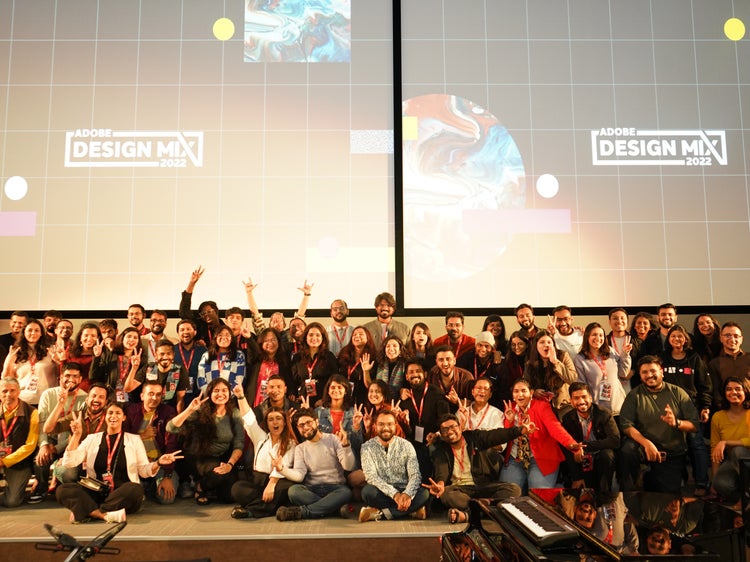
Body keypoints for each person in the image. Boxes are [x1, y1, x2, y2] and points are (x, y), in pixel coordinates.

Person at [56, 402, 182, 523]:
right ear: (105, 416)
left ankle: (86, 510)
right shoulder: (92, 439)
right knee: (62, 490)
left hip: (122, 494)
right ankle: (102, 514)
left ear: (124, 417)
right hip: (96, 491)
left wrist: (158, 463)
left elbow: (144, 471)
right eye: (110, 413)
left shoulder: (134, 440)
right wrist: (76, 436)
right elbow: (69, 462)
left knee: (135, 489)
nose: (113, 416)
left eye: (118, 413)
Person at [423, 412, 530, 524]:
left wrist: (519, 430)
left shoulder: (475, 438)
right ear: (441, 434)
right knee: (446, 493)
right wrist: (440, 484)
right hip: (460, 490)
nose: (449, 431)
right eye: (445, 429)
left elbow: (496, 435)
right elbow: (441, 471)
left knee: (514, 489)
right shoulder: (441, 450)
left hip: (482, 486)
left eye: (453, 427)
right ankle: (485, 510)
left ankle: (468, 515)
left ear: (460, 427)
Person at [618, 356, 700, 494]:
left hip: (670, 453)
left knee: (666, 498)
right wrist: (647, 444)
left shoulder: (678, 393)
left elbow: (694, 425)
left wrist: (677, 423)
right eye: (644, 372)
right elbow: (626, 425)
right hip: (644, 450)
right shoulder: (634, 395)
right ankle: (629, 493)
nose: (649, 375)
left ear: (662, 372)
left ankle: (674, 475)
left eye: (653, 371)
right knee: (627, 450)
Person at [166, 378, 244, 504]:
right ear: (210, 393)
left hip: (224, 458)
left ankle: (209, 487)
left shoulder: (234, 413)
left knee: (229, 496)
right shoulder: (201, 411)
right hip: (200, 458)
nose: (221, 394)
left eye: (224, 390)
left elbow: (239, 443)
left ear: (230, 394)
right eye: (216, 391)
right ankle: (200, 486)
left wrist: (230, 464)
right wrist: (190, 409)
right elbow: (170, 427)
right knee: (218, 476)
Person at [274, 407, 356, 521]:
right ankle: (334, 509)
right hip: (312, 489)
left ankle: (302, 512)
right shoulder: (300, 448)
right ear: (297, 428)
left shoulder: (333, 439)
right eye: (301, 425)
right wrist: (282, 469)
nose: (306, 427)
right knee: (294, 491)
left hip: (335, 488)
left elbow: (348, 466)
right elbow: (299, 476)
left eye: (308, 422)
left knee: (346, 492)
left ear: (316, 421)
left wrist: (346, 446)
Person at [500, 379, 580, 493]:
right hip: (515, 458)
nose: (520, 394)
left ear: (531, 393)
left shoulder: (542, 407)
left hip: (541, 459)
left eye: (524, 391)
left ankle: (557, 487)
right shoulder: (509, 408)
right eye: (516, 391)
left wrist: (570, 443)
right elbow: (505, 437)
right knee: (505, 494)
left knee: (538, 496)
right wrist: (509, 421)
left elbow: (555, 428)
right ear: (512, 395)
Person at [660, 325, 711, 495]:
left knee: (697, 445)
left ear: (686, 339)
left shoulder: (695, 358)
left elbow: (704, 385)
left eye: (680, 336)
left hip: (692, 408)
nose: (677, 339)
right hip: (668, 409)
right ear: (669, 339)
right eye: (673, 336)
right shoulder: (662, 358)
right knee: (673, 446)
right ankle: (678, 480)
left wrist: (705, 407)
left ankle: (701, 483)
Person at [231, 390, 296, 519]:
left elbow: (285, 464)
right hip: (258, 481)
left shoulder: (290, 443)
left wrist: (271, 485)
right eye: (271, 419)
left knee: (287, 488)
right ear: (267, 423)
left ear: (284, 422)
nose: (275, 422)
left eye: (278, 419)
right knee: (237, 488)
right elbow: (248, 419)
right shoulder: (260, 437)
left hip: (277, 482)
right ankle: (271, 505)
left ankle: (250, 511)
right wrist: (241, 397)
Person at [358, 410, 429, 522]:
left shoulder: (406, 445)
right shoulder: (367, 447)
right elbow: (371, 476)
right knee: (367, 492)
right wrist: (394, 494)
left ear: (395, 426)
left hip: (404, 489)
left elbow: (415, 474)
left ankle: (381, 514)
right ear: (375, 426)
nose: (386, 428)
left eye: (390, 424)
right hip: (382, 491)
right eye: (381, 424)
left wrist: (407, 494)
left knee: (424, 494)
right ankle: (411, 511)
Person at [32, 362, 88, 502]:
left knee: (68, 429)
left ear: (81, 379)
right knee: (40, 458)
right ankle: (42, 486)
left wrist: (56, 449)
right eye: (67, 375)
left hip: (70, 440)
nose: (71, 379)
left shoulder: (85, 398)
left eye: (75, 376)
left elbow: (78, 431)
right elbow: (42, 422)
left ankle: (61, 485)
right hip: (50, 435)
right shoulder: (48, 394)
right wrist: (44, 445)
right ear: (61, 377)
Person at [123, 382, 180, 504]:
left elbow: (171, 445)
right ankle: (145, 486)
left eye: (158, 395)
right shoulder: (131, 411)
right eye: (151, 394)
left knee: (166, 498)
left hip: (159, 463)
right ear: (142, 396)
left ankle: (152, 485)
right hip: (137, 463)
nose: (154, 398)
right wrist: (142, 436)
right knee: (129, 496)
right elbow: (123, 440)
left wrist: (167, 476)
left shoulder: (168, 412)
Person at [43, 382, 109, 487]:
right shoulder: (76, 416)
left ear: (105, 402)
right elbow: (47, 429)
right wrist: (60, 404)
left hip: (98, 460)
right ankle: (61, 472)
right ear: (87, 399)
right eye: (94, 396)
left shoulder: (109, 419)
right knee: (67, 475)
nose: (96, 399)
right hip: (76, 459)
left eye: (101, 397)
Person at [561, 382, 620, 493]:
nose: (581, 401)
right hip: (581, 461)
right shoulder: (567, 419)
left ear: (590, 397)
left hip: (600, 458)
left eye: (584, 397)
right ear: (571, 402)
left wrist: (584, 446)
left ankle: (606, 491)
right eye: (576, 398)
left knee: (607, 455)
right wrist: (577, 477)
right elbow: (566, 447)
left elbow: (615, 440)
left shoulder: (604, 414)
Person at [400, 358, 451, 480]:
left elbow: (446, 420)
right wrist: (405, 424)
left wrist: (437, 434)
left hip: (434, 440)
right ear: (407, 377)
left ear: (425, 374)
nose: (414, 374)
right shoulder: (405, 398)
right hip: (414, 441)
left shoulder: (436, 393)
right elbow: (408, 431)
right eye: (411, 372)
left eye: (418, 371)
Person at [574, 322, 632, 415]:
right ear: (587, 337)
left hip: (618, 406)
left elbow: (623, 373)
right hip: (598, 409)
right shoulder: (580, 358)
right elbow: (582, 385)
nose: (598, 338)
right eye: (594, 335)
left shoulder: (610, 352)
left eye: (601, 335)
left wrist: (624, 355)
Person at [709, 377, 750, 505]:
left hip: (747, 458)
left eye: (738, 389)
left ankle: (744, 501)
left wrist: (726, 442)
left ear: (746, 392)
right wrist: (714, 480)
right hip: (733, 461)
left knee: (738, 451)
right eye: (729, 389)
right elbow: (715, 448)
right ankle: (743, 496)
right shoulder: (718, 417)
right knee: (720, 483)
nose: (733, 392)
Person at [0, 377, 39, 508]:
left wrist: (4, 461)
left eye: (12, 390)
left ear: (19, 392)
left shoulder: (32, 413)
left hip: (19, 462)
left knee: (12, 502)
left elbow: (30, 446)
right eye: (4, 391)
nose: (8, 395)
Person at [2, 317, 57, 407]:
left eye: (36, 330)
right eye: (30, 330)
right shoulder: (15, 352)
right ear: (24, 332)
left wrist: (58, 361)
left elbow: (59, 374)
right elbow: (6, 379)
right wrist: (9, 363)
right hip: (23, 400)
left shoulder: (50, 351)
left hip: (46, 400)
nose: (33, 333)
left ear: (41, 334)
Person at [523, 330, 577, 417]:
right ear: (536, 345)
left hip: (562, 405)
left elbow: (573, 379)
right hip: (540, 405)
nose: (546, 345)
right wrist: (534, 392)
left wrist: (556, 362)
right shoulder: (530, 363)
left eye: (549, 342)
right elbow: (525, 385)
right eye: (542, 342)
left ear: (553, 345)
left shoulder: (563, 356)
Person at [90, 326, 145, 404]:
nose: (132, 339)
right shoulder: (110, 355)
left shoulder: (142, 360)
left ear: (138, 341)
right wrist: (97, 357)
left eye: (135, 338)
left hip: (131, 400)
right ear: (122, 339)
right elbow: (93, 376)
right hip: (109, 398)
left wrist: (134, 367)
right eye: (129, 336)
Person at [130, 339, 188, 412]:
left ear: (173, 355)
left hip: (168, 411)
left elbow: (180, 400)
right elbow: (128, 388)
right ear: (156, 356)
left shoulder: (179, 370)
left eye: (168, 353)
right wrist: (134, 368)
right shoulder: (149, 367)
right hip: (148, 409)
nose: (165, 357)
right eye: (162, 354)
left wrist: (179, 420)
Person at [290, 322, 338, 403]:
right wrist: (295, 396)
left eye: (318, 335)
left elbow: (334, 381)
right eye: (311, 335)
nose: (314, 338)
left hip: (322, 402)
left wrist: (324, 399)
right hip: (303, 401)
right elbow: (293, 381)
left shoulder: (329, 357)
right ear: (305, 337)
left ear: (323, 338)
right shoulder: (297, 357)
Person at [244, 327, 293, 407]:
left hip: (276, 402)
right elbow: (252, 349)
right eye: (266, 340)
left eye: (273, 340)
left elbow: (288, 379)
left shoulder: (283, 361)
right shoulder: (256, 360)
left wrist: (291, 391)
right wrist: (249, 338)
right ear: (261, 343)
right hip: (257, 402)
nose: (270, 343)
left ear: (278, 342)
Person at [708, 322, 750, 410]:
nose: (732, 339)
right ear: (721, 338)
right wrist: (725, 409)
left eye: (736, 336)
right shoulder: (714, 363)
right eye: (727, 335)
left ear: (741, 339)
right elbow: (715, 391)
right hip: (726, 411)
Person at [179, 266, 223, 346]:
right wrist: (192, 283)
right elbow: (184, 312)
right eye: (203, 313)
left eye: (209, 311)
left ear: (216, 311)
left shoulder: (225, 328)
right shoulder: (199, 326)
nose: (206, 315)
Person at [196, 325, 246, 393]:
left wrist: (227, 395)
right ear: (215, 338)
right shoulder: (207, 355)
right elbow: (200, 378)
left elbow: (239, 379)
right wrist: (210, 394)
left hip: (231, 399)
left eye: (227, 335)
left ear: (232, 338)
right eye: (220, 335)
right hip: (209, 398)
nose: (224, 337)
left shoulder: (239, 355)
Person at [337, 326, 377, 406]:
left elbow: (370, 386)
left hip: (363, 399)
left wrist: (366, 371)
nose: (357, 336)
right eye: (354, 334)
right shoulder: (344, 354)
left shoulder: (373, 357)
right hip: (344, 398)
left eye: (361, 334)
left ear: (368, 338)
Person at [428, 346, 474, 410]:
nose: (445, 363)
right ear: (436, 362)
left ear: (454, 361)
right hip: (438, 413)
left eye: (448, 359)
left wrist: (457, 401)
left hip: (461, 414)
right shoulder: (431, 375)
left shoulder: (466, 376)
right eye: (441, 360)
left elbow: (474, 403)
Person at [173, 319, 206, 406]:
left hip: (198, 393)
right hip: (176, 394)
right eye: (182, 330)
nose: (185, 332)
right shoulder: (172, 350)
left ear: (195, 332)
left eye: (188, 329)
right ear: (178, 333)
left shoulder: (203, 350)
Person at [62, 322, 101, 392]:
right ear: (80, 337)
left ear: (98, 338)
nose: (89, 339)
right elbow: (65, 373)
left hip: (94, 393)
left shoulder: (103, 354)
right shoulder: (71, 352)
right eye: (86, 335)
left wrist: (97, 356)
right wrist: (62, 360)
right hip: (73, 391)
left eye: (93, 336)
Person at [606, 308, 640, 386]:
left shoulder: (637, 342)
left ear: (627, 321)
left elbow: (642, 360)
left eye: (622, 318)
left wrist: (633, 371)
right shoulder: (604, 342)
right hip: (611, 384)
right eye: (615, 318)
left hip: (633, 384)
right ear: (609, 322)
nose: (619, 321)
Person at [368, 335, 408, 402]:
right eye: (388, 346)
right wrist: (365, 371)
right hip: (379, 401)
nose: (391, 349)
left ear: (400, 350)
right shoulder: (378, 363)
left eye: (394, 346)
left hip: (399, 402)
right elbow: (370, 386)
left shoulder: (406, 364)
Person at [495, 331, 529, 405]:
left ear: (526, 345)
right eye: (513, 345)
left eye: (520, 344)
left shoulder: (533, 361)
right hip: (511, 399)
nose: (516, 347)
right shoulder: (507, 362)